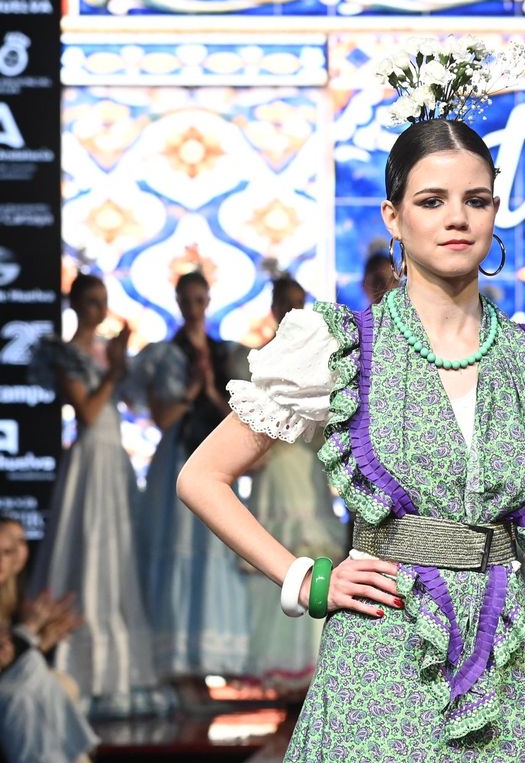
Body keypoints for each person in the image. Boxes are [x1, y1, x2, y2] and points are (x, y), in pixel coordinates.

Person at [178, 93, 525, 763]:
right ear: (393, 214)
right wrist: (308, 577)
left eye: (477, 199)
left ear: (496, 210)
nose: (457, 218)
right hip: (382, 659)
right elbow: (202, 477)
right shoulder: (341, 344)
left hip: (502, 669)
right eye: (432, 199)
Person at [26, 273, 170, 718]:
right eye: (91, 302)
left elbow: (129, 406)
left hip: (115, 460)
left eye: (103, 301)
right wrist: (113, 371)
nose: (98, 310)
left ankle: (121, 672)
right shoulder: (64, 352)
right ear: (74, 304)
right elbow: (87, 412)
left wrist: (122, 365)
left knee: (116, 554)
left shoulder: (106, 352)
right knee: (87, 549)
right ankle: (78, 668)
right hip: (89, 459)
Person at [131, 269, 252, 693]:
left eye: (201, 299)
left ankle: (216, 664)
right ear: (179, 302)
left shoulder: (228, 354)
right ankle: (182, 667)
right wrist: (190, 393)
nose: (195, 307)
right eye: (188, 300)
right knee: (180, 547)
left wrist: (212, 393)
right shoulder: (165, 355)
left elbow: (241, 417)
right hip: (180, 459)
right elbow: (161, 418)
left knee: (219, 547)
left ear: (208, 300)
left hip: (220, 461)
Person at [232, 273, 348, 698]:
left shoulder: (319, 364)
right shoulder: (256, 361)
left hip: (306, 473)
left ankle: (314, 670)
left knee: (315, 557)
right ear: (273, 308)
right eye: (285, 302)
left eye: (298, 301)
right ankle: (279, 674)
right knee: (276, 562)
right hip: (274, 475)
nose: (291, 309)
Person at [0, 515, 112, 763]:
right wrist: (29, 635)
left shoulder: (11, 590)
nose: (14, 555)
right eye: (6, 548)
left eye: (18, 546)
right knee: (31, 688)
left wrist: (37, 639)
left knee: (43, 678)